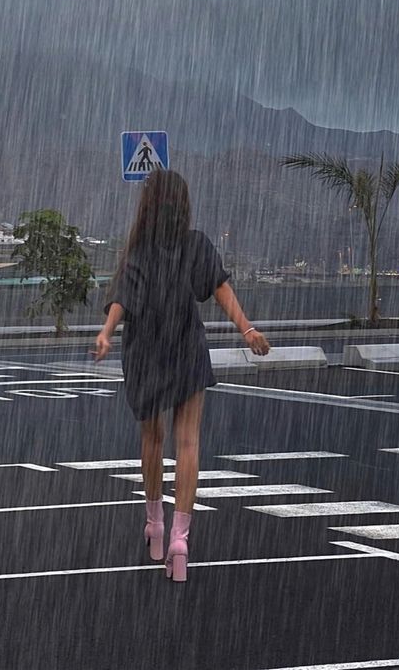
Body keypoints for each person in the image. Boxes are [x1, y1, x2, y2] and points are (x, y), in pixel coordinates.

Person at [93, 170, 269, 582]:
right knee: (188, 442)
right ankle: (180, 537)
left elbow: (121, 299)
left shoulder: (139, 250)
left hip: (146, 353)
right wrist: (247, 329)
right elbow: (221, 289)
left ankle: (154, 521)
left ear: (148, 205)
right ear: (183, 204)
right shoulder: (197, 245)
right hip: (186, 347)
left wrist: (105, 333)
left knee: (152, 439)